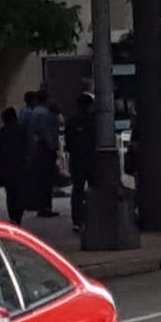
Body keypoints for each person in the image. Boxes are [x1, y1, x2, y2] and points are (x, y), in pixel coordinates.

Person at [0, 108, 33, 225]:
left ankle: (13, 217)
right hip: (21, 166)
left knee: (10, 193)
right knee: (20, 191)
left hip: (6, 166)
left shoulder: (0, 133)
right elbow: (29, 146)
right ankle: (18, 215)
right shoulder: (22, 130)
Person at [63, 92, 97, 230]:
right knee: (94, 188)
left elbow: (68, 143)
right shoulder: (94, 121)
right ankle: (94, 217)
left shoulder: (71, 121)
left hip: (77, 159)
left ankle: (77, 219)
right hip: (92, 159)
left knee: (77, 190)